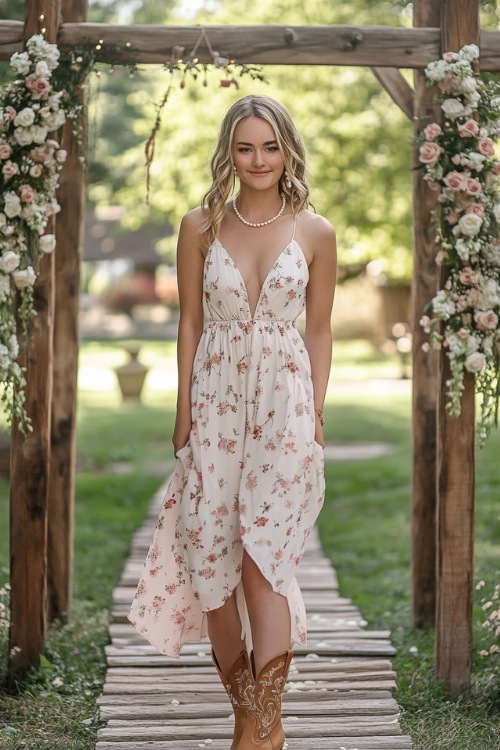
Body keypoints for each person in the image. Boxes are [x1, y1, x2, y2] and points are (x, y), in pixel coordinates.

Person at [129, 94, 337, 750]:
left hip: (285, 408)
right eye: (246, 147)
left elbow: (322, 330)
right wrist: (182, 411)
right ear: (229, 151)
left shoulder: (316, 231)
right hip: (215, 405)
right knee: (213, 563)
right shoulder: (199, 225)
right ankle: (246, 715)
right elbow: (190, 320)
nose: (258, 160)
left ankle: (265, 727)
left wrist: (318, 416)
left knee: (263, 562)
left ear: (287, 150)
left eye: (270, 147)